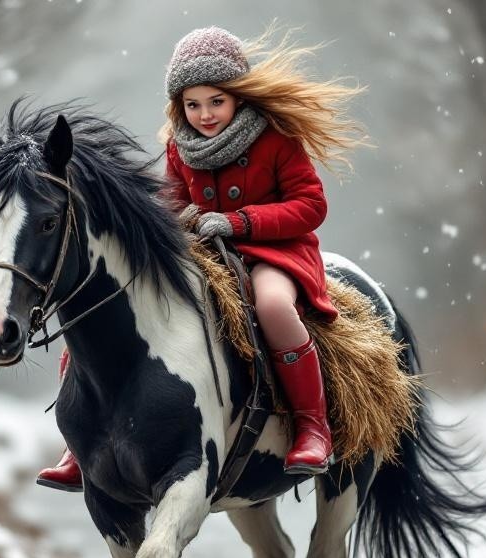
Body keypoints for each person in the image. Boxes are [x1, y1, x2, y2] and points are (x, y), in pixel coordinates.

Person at [37, 25, 364, 491]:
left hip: (275, 251)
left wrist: (239, 221)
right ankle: (83, 442)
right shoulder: (178, 145)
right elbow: (170, 202)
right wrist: (182, 215)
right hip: (204, 252)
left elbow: (311, 206)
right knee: (99, 317)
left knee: (273, 307)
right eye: (193, 104)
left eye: (216, 101)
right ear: (179, 106)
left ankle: (313, 427)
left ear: (238, 97)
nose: (205, 114)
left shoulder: (276, 139)